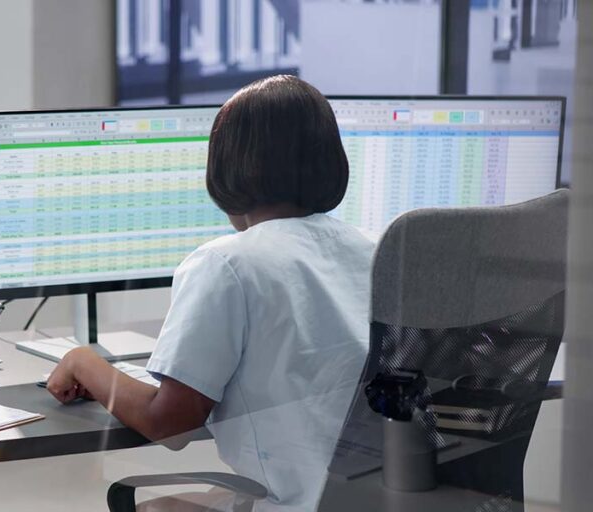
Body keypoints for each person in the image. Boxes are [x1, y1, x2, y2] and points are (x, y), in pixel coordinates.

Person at [47, 75, 375, 511]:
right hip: (379, 499)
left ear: (228, 167)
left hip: (300, 503)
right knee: (217, 495)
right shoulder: (375, 250)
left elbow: (170, 424)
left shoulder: (227, 264)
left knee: (154, 508)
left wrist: (81, 362)